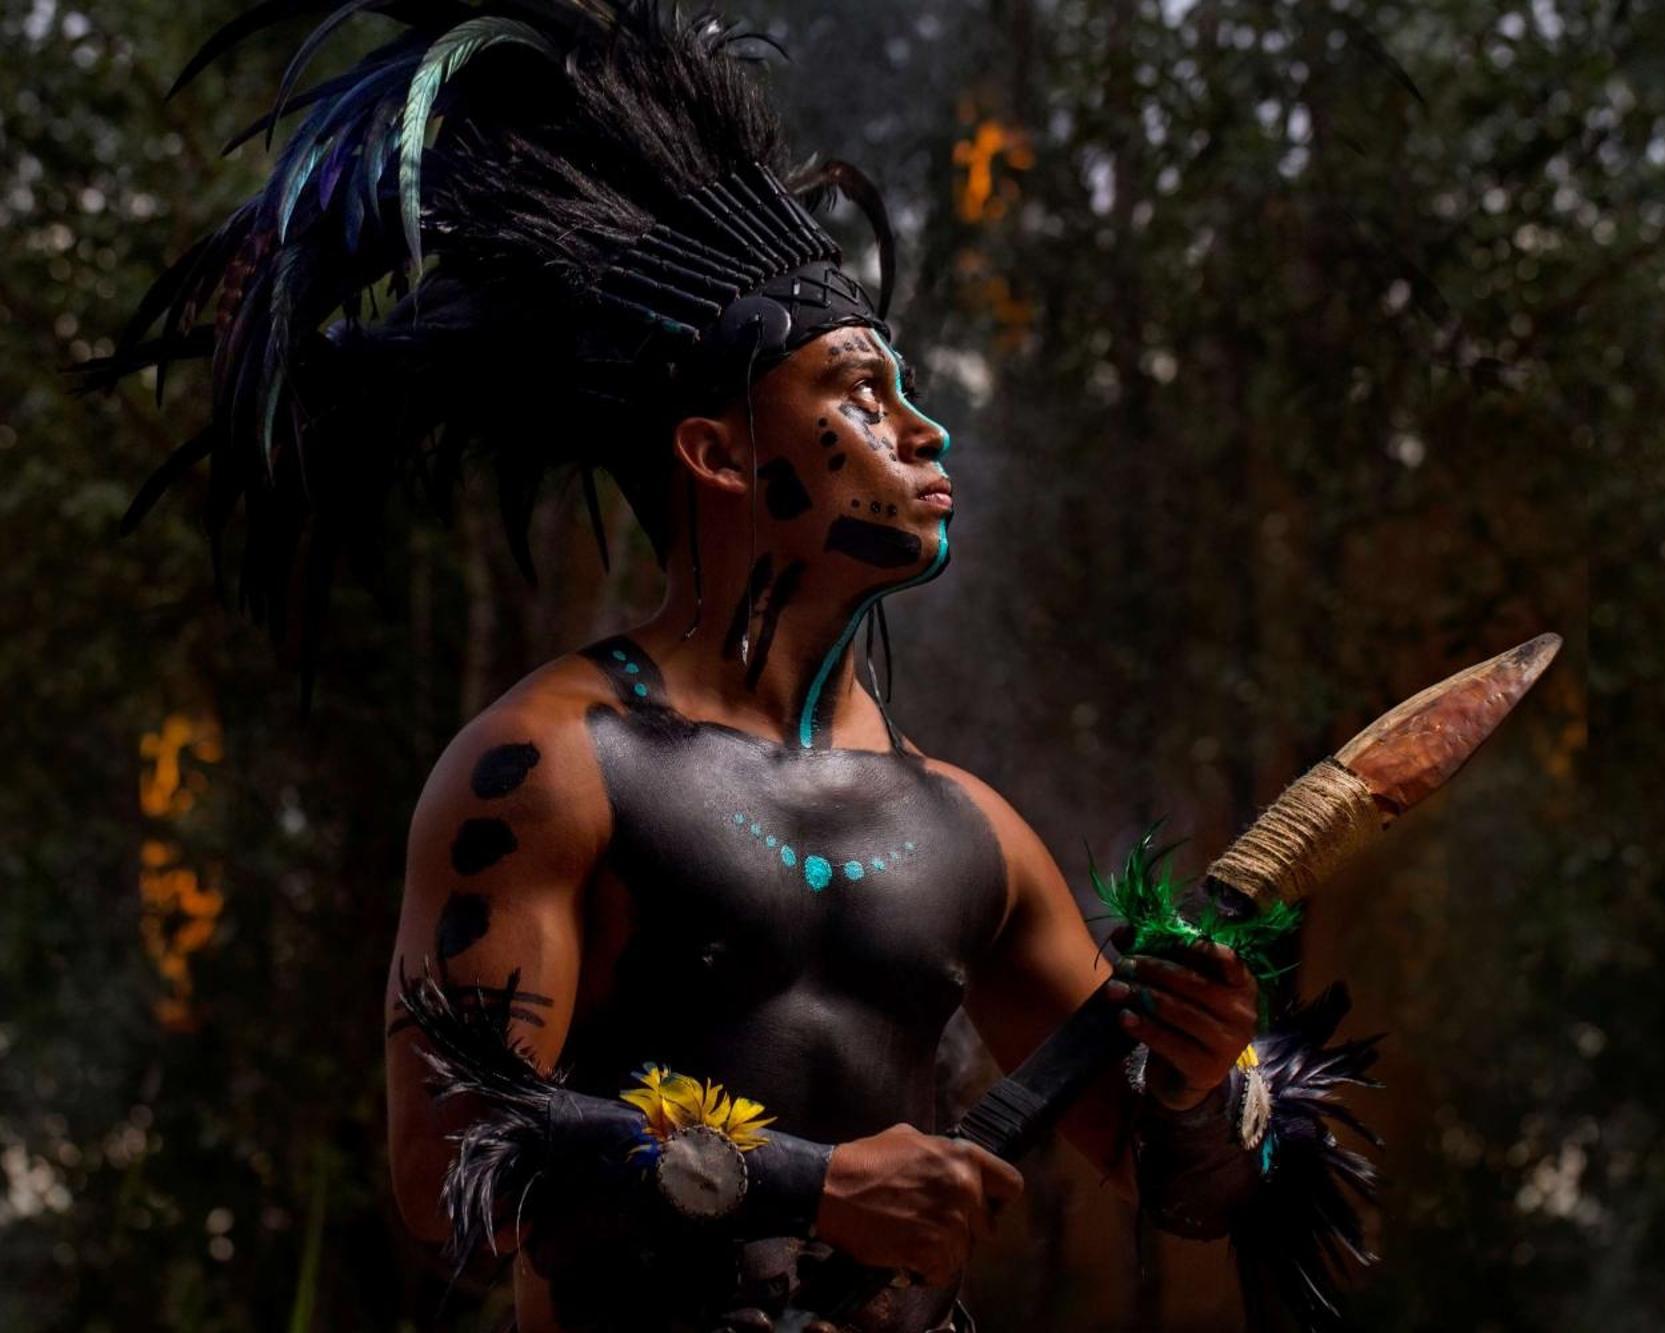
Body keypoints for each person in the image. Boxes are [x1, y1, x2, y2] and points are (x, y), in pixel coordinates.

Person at [97, 6, 1316, 1330]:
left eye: (904, 387)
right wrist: (811, 1180)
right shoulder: (555, 766)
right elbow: (444, 1161)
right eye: (859, 390)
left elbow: (1186, 1187)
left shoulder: (968, 829)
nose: (923, 425)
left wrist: (1199, 1089)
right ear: (722, 454)